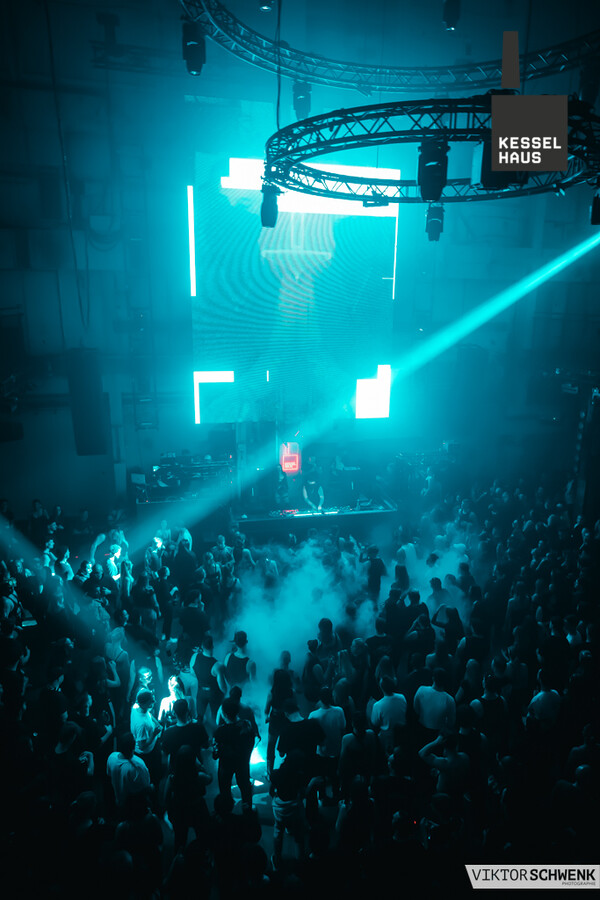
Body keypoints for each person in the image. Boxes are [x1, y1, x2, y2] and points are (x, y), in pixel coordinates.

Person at [163, 745, 212, 852]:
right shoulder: (199, 776)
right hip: (197, 808)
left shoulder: (172, 778)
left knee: (180, 839)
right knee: (202, 835)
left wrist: (170, 812)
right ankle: (203, 855)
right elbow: (209, 779)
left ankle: (179, 858)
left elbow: (166, 798)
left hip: (179, 810)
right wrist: (201, 766)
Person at [212, 696, 255, 809]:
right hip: (242, 763)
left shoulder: (220, 731)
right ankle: (248, 811)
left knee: (224, 789)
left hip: (225, 766)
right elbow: (251, 744)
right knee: (245, 787)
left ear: (224, 714)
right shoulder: (246, 726)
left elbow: (215, 754)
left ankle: (225, 811)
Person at [161, 698, 209, 773]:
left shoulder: (168, 733)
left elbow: (165, 755)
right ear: (188, 711)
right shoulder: (199, 727)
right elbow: (206, 745)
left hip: (177, 770)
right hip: (195, 768)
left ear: (174, 713)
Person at [106, 731, 151, 811]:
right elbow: (145, 787)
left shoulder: (112, 757)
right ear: (133, 747)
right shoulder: (138, 766)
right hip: (134, 804)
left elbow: (109, 774)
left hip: (118, 799)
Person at [370, 676, 407, 754]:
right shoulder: (402, 697)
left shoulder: (378, 705)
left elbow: (374, 722)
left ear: (381, 688)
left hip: (387, 736)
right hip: (403, 733)